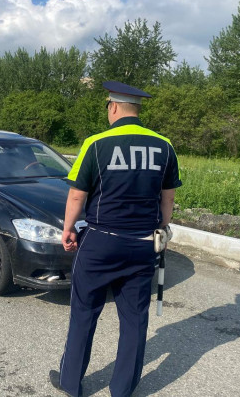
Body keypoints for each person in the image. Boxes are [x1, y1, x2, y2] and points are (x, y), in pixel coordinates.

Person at [49, 81, 182, 397]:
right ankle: (122, 390)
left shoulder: (96, 144)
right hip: (142, 244)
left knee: (84, 312)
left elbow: (76, 195)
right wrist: (161, 229)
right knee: (135, 319)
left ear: (113, 107)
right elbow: (167, 200)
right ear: (137, 109)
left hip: (100, 242)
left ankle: (71, 384)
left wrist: (68, 229)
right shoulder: (164, 146)